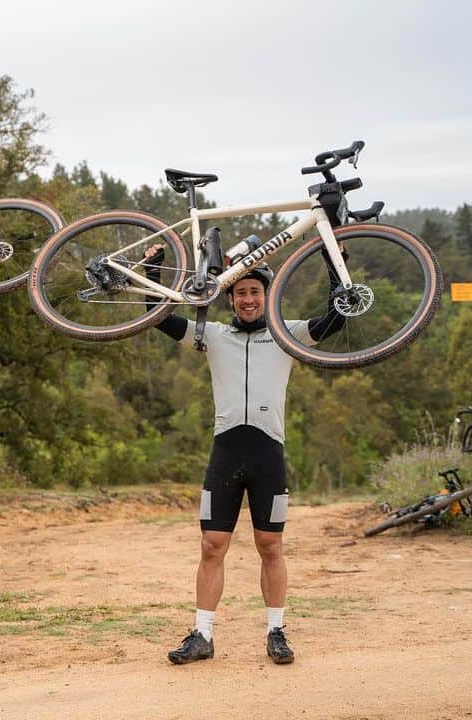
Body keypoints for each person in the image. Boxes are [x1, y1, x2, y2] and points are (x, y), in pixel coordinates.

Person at [143, 242, 347, 666]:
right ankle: (202, 635)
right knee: (211, 544)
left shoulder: (287, 333)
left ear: (267, 296)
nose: (249, 299)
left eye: (255, 292)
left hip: (268, 453)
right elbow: (158, 316)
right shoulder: (212, 335)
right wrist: (154, 266)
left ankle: (276, 631)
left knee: (270, 545)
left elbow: (336, 317)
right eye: (241, 293)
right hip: (226, 451)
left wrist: (333, 260)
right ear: (231, 298)